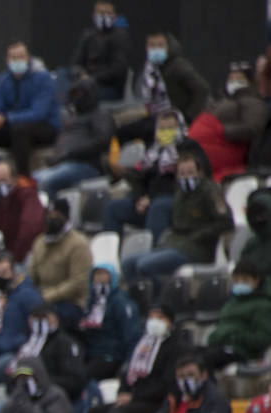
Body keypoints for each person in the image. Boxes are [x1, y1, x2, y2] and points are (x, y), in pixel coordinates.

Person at [122, 153, 232, 286]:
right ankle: (139, 298)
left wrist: (200, 235)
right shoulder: (179, 192)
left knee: (145, 265)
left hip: (196, 248)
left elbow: (226, 222)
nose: (187, 177)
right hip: (174, 244)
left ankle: (159, 301)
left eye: (191, 172)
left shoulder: (211, 191)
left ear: (200, 173)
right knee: (129, 263)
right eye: (182, 174)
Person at [86, 303, 180, 413]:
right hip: (133, 399)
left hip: (154, 402)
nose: (154, 321)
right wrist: (123, 392)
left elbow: (166, 384)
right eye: (151, 317)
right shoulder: (143, 344)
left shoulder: (175, 348)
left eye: (160, 318)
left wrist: (134, 397)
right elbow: (128, 373)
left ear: (170, 322)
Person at [102, 110, 194, 243]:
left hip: (178, 201)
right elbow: (136, 177)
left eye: (170, 128)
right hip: (148, 201)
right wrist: (138, 198)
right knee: (113, 208)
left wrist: (151, 198)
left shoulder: (189, 150)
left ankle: (153, 252)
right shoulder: (153, 152)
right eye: (162, 129)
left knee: (158, 206)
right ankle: (109, 255)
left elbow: (184, 182)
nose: (165, 133)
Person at [0, 41, 60, 178]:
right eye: (13, 58)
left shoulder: (43, 78)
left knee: (20, 130)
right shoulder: (4, 80)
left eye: (21, 57)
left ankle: (23, 178)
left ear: (28, 58)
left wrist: (7, 118)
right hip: (13, 125)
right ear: (7, 61)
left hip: (45, 127)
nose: (17, 61)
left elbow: (38, 113)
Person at [120, 32, 210, 144]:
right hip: (157, 117)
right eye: (152, 46)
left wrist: (188, 116)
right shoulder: (150, 69)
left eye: (160, 45)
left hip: (178, 118)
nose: (155, 49)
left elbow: (202, 89)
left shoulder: (178, 66)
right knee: (123, 131)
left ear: (168, 47)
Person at [31, 79, 115, 198]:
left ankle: (52, 214)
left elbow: (102, 140)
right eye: (74, 94)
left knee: (48, 182)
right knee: (29, 181)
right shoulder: (72, 118)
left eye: (80, 94)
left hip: (86, 166)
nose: (77, 98)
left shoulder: (100, 115)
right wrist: (58, 157)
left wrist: (72, 153)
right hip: (62, 165)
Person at [189, 63, 267, 184]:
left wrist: (221, 131)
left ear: (249, 82)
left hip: (225, 153)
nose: (234, 82)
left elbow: (253, 127)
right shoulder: (223, 100)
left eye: (239, 79)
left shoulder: (252, 102)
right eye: (231, 79)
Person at [0, 253, 43, 385]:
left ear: (13, 272)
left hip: (14, 352)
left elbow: (37, 330)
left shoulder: (27, 296)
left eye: (4, 272)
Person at [29, 199, 93, 330]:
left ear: (66, 217)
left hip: (71, 302)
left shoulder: (78, 243)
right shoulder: (40, 242)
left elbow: (78, 283)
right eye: (49, 215)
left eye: (56, 216)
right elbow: (32, 274)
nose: (52, 219)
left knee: (45, 317)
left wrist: (48, 296)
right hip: (42, 298)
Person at [0, 159, 46, 264]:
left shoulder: (27, 195)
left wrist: (14, 259)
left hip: (32, 251)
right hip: (9, 252)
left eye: (3, 180)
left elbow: (29, 229)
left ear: (14, 179)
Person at [79, 262, 143, 382]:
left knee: (83, 379)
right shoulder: (91, 303)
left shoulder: (120, 302)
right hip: (90, 353)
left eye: (103, 274)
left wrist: (129, 362)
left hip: (111, 355)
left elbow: (132, 334)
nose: (99, 278)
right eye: (96, 274)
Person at [207, 262, 271, 369]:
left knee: (204, 361)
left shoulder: (263, 306)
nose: (240, 283)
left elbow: (263, 339)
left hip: (242, 353)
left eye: (245, 280)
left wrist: (235, 336)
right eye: (236, 280)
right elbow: (220, 328)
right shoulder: (230, 304)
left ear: (256, 281)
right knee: (191, 358)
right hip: (219, 347)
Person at [71, 1, 131, 102]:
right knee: (63, 75)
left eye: (107, 13)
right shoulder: (88, 35)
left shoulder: (120, 37)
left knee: (83, 96)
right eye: (100, 13)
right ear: (94, 15)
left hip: (108, 87)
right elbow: (76, 63)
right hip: (84, 83)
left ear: (114, 16)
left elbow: (118, 70)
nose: (103, 16)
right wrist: (80, 74)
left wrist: (92, 79)